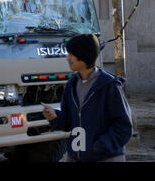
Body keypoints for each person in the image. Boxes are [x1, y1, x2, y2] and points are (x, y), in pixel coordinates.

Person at [42, 33, 133, 162]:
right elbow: (69, 123)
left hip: (105, 157)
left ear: (82, 56)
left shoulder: (109, 86)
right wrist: (55, 117)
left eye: (71, 54)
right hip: (76, 157)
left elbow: (124, 127)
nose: (67, 58)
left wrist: (98, 147)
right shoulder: (71, 85)